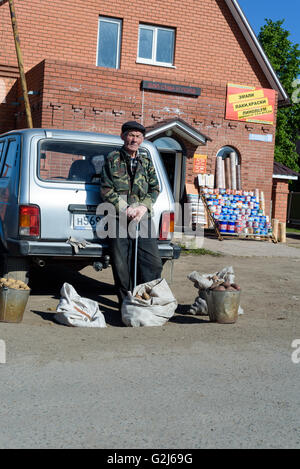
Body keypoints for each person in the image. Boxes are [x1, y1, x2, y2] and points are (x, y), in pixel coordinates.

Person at [100, 121, 163, 310]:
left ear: (142, 140)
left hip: (142, 218)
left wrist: (143, 207)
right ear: (122, 137)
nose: (134, 139)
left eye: (138, 136)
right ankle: (126, 304)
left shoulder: (146, 160)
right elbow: (105, 188)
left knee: (152, 261)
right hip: (118, 218)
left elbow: (155, 188)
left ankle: (146, 301)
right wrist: (124, 207)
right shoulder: (112, 158)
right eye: (130, 135)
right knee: (121, 265)